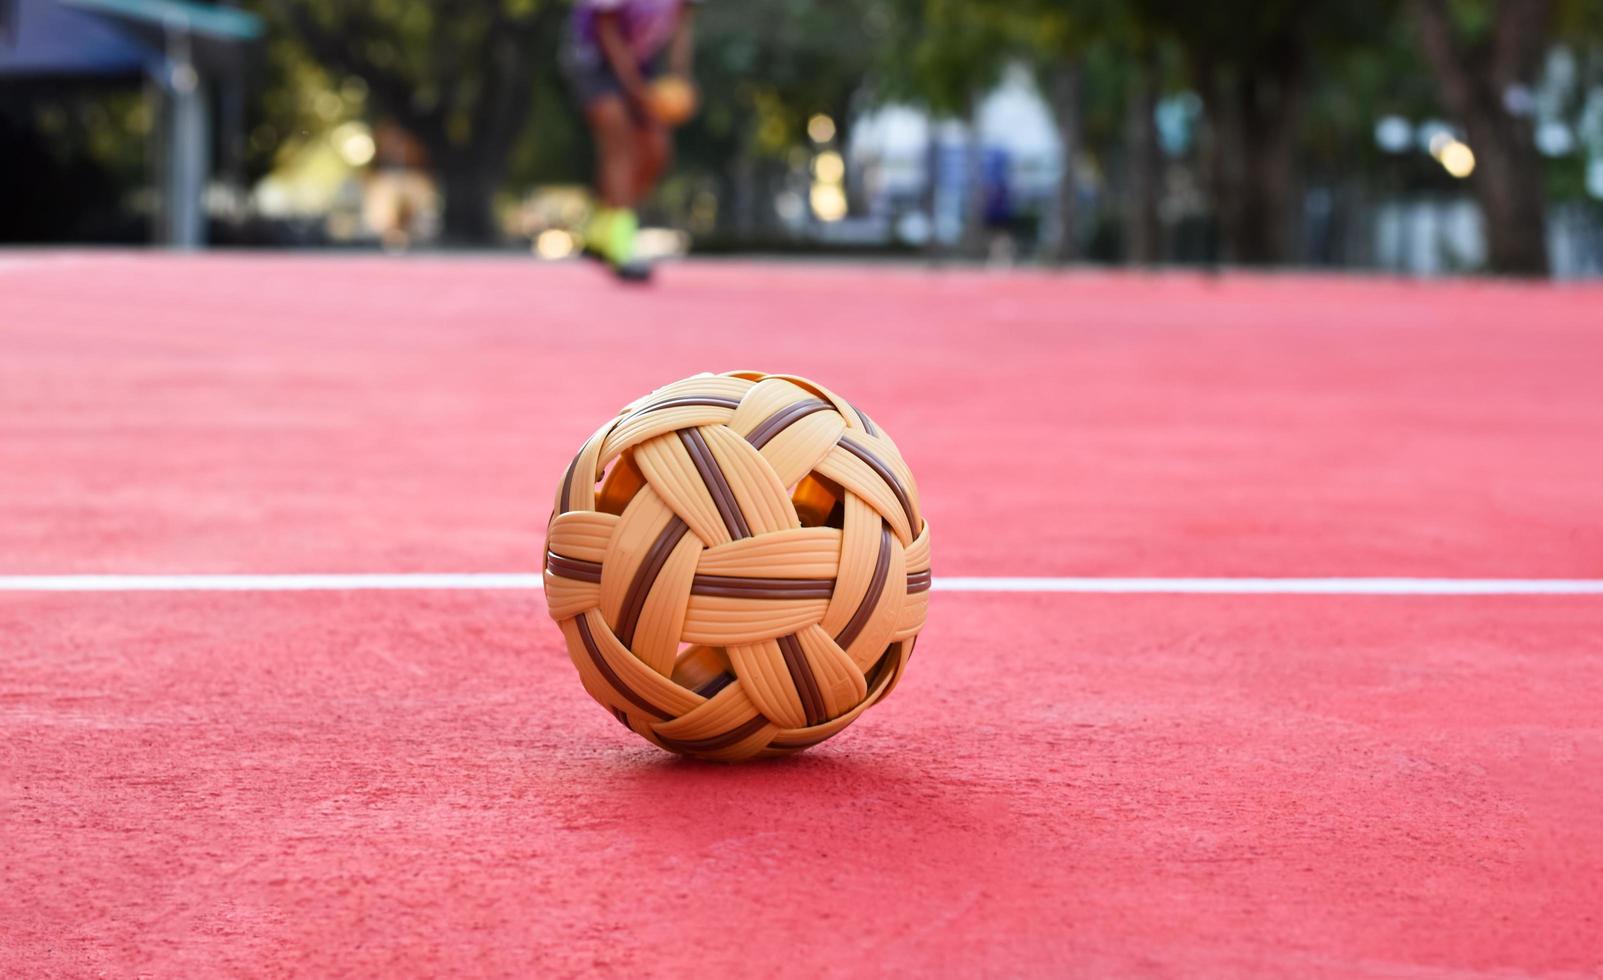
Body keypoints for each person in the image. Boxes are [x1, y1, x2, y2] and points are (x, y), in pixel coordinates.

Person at [563, 0, 699, 281]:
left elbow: (682, 23)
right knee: (618, 139)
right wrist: (634, 88)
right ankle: (622, 244)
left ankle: (602, 226)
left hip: (638, 61)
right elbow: (607, 28)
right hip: (595, 58)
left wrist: (680, 79)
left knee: (655, 151)